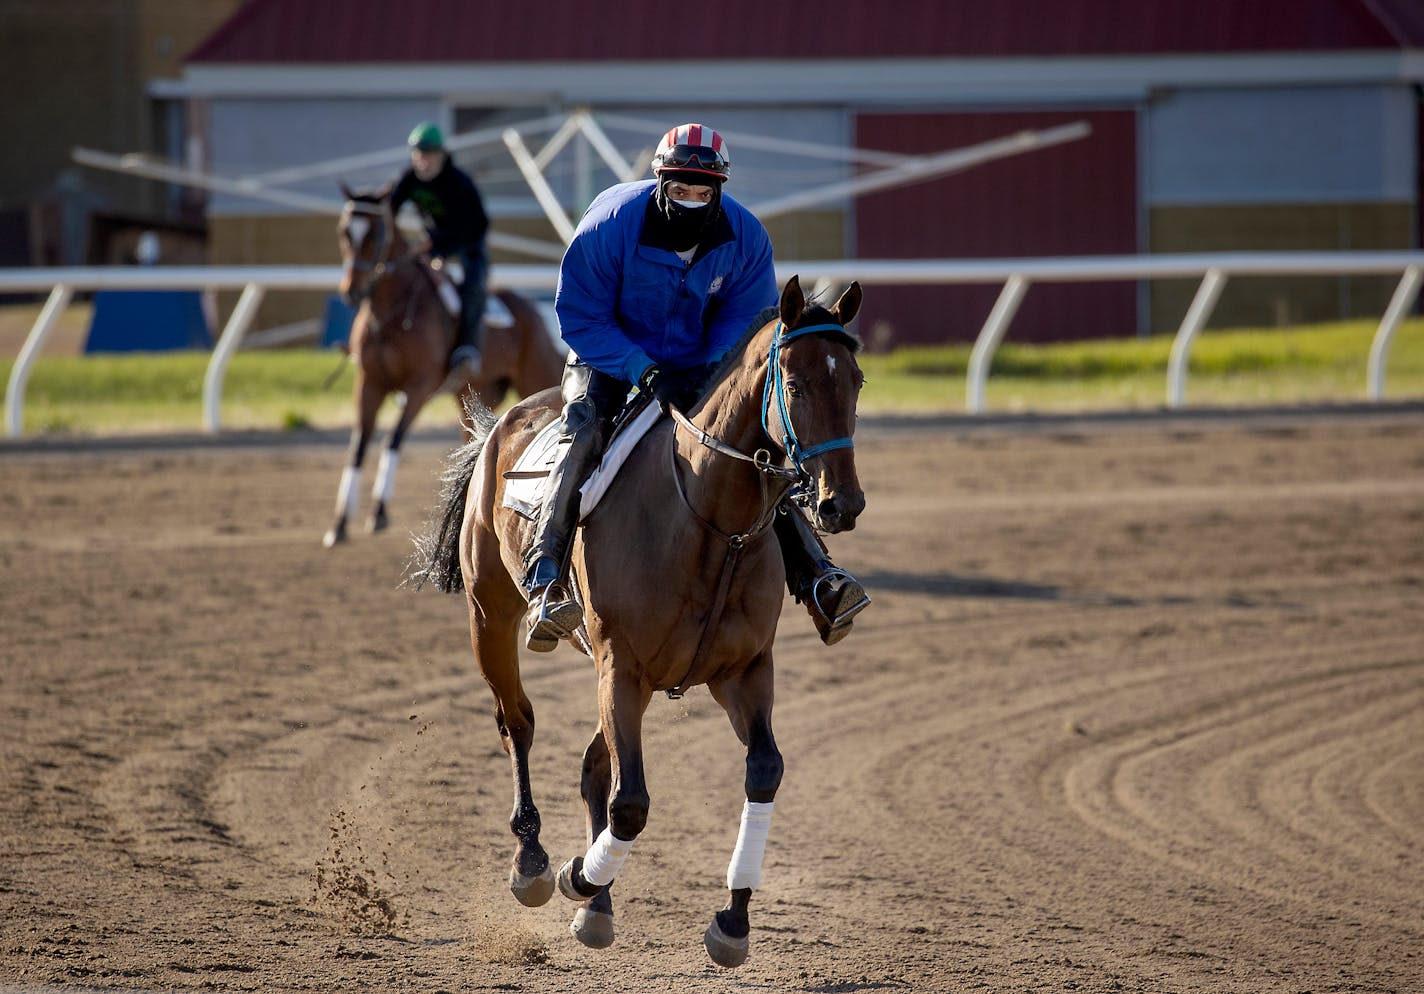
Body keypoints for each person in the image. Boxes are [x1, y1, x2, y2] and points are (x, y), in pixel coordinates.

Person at [520, 122, 869, 652]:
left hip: (699, 363)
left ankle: (817, 578)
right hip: (608, 355)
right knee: (585, 431)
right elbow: (580, 315)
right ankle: (544, 579)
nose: (689, 200)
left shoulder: (747, 238)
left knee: (755, 447)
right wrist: (641, 368)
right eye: (678, 189)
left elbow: (745, 322)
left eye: (701, 192)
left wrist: (705, 370)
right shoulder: (610, 225)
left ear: (719, 192)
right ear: (660, 182)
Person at [389, 121, 490, 376]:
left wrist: (433, 244)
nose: (423, 161)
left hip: (468, 241)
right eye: (419, 154)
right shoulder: (408, 179)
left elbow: (471, 227)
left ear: (441, 155)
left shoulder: (459, 183)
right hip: (433, 243)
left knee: (473, 287)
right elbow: (389, 209)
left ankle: (468, 349)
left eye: (429, 154)